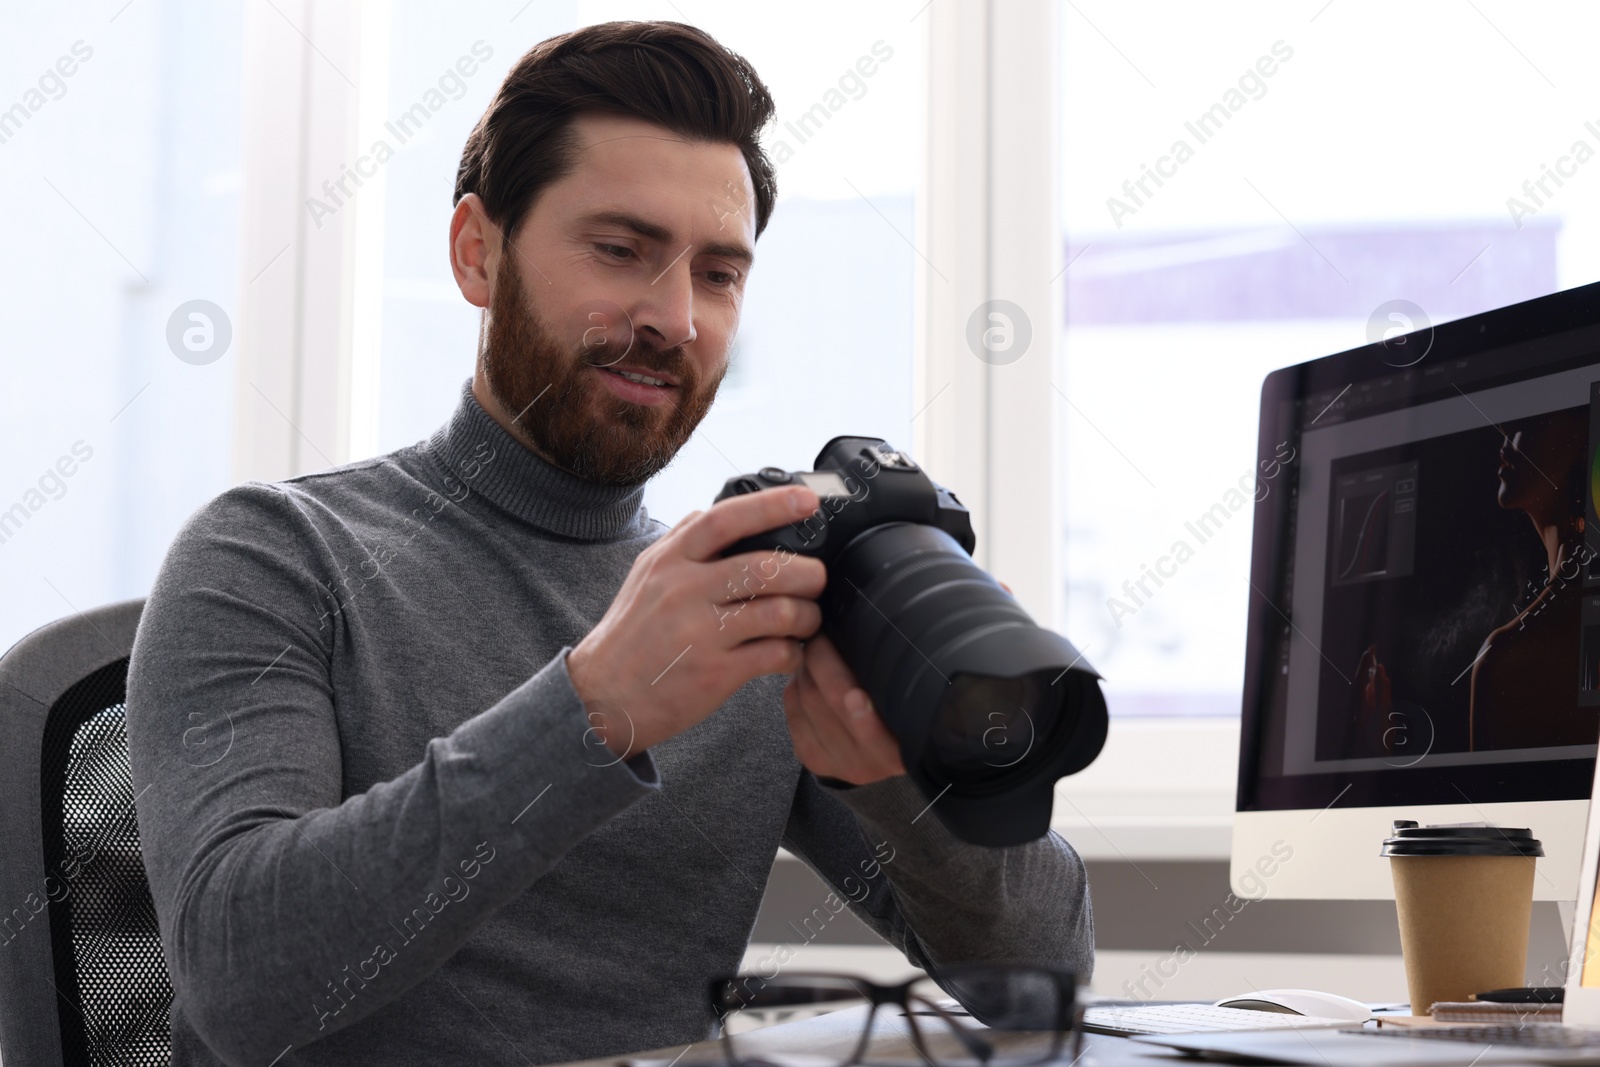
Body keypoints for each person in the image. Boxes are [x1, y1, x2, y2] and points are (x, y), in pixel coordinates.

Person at [126, 21, 1093, 1067]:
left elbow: (1040, 979)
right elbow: (238, 981)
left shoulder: (749, 604)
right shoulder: (272, 554)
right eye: (619, 249)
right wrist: (592, 707)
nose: (673, 316)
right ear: (476, 251)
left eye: (718, 274)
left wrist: (908, 782)